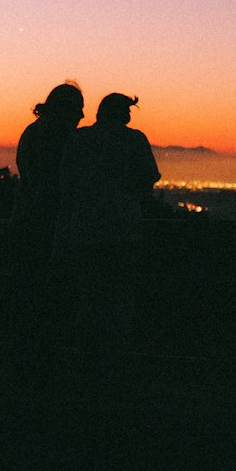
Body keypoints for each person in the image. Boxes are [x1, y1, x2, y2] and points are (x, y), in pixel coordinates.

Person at [57, 92, 160, 372]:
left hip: (84, 231)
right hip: (124, 231)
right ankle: (114, 363)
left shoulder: (78, 139)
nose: (129, 116)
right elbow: (149, 177)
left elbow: (66, 183)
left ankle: (84, 361)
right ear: (122, 113)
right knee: (119, 298)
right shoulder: (135, 140)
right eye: (128, 110)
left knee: (88, 297)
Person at [9, 82, 84, 385]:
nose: (81, 115)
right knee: (51, 301)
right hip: (49, 228)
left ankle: (26, 367)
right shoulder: (62, 137)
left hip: (26, 222)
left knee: (28, 299)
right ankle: (45, 371)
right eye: (78, 108)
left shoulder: (32, 131)